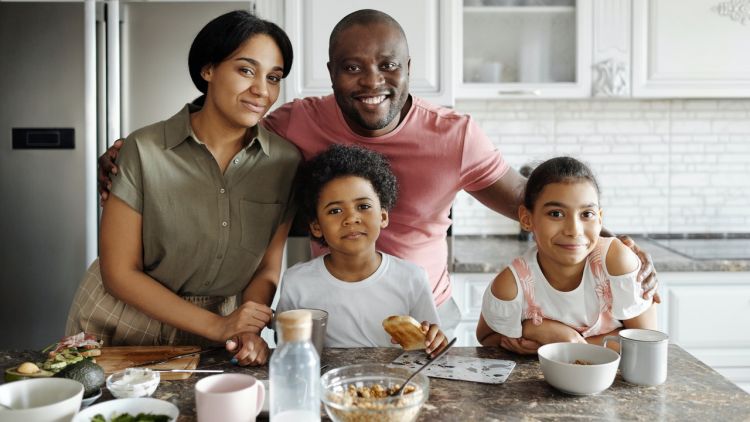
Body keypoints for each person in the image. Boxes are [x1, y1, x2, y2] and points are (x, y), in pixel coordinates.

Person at [96, 9, 658, 354]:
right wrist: (133, 152)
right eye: (352, 67)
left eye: (388, 65)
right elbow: (223, 120)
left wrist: (611, 241)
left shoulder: (455, 136)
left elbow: (534, 204)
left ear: (410, 67)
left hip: (423, 317)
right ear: (331, 72)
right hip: (327, 318)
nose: (372, 81)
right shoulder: (294, 123)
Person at [66, 10, 299, 366]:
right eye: (246, 70)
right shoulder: (143, 150)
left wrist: (245, 327)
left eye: (274, 77)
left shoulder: (285, 163)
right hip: (118, 320)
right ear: (208, 70)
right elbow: (118, 272)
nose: (262, 90)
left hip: (217, 331)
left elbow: (266, 269)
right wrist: (219, 326)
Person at [276, 145, 447, 356]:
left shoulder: (412, 278)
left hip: (395, 385)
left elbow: (428, 344)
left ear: (383, 216)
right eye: (335, 210)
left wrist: (435, 340)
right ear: (316, 226)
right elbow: (286, 346)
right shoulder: (297, 282)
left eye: (363, 206)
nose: (351, 218)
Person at [476, 157, 656, 350]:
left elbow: (646, 343)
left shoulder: (616, 262)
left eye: (587, 214)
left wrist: (559, 340)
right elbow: (487, 337)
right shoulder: (512, 285)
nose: (574, 230)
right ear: (527, 219)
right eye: (556, 214)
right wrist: (534, 330)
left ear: (600, 219)